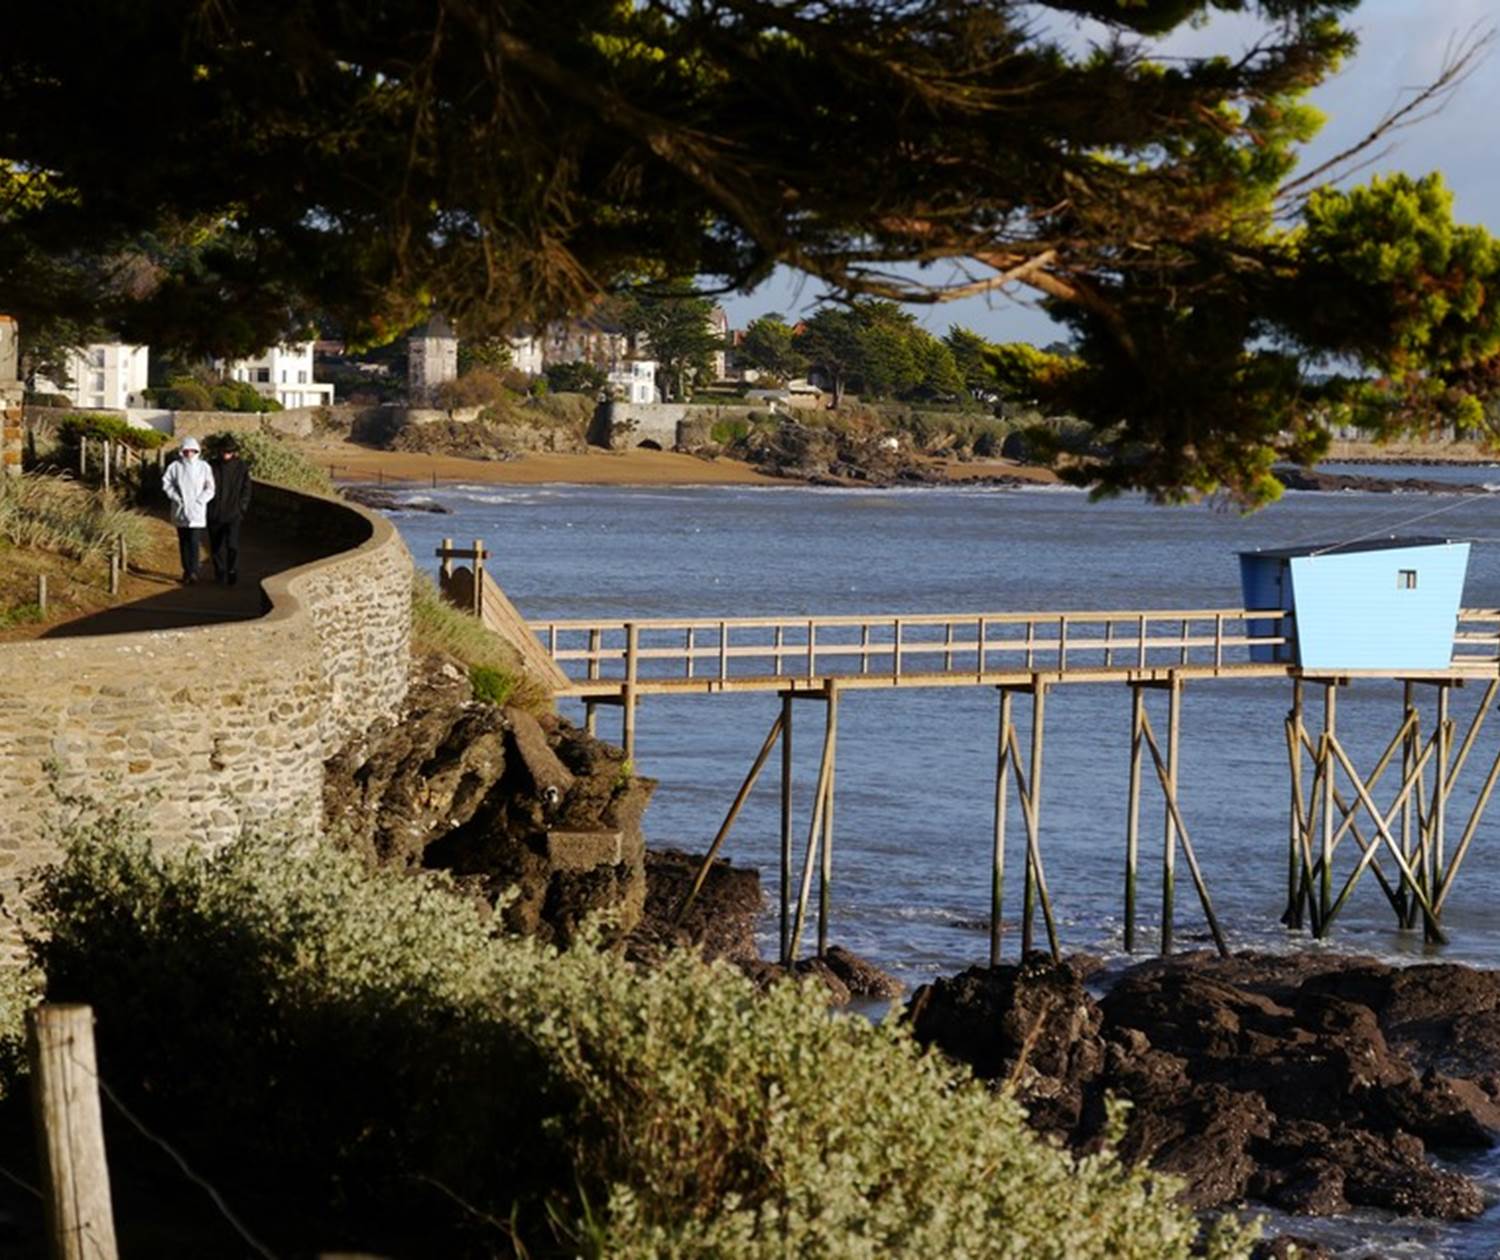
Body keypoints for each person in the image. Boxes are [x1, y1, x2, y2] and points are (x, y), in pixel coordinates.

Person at [161, 436, 215, 583]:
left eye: (192, 451)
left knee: (194, 541)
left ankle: (193, 571)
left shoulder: (204, 467)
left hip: (197, 511)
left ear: (197, 451)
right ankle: (187, 570)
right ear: (182, 451)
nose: (189, 453)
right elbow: (167, 483)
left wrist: (200, 501)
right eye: (186, 451)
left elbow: (210, 488)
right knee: (183, 542)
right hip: (180, 510)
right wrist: (176, 498)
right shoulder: (175, 467)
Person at [207, 436, 252, 584]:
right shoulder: (211, 465)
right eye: (224, 451)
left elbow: (247, 488)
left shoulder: (241, 467)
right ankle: (219, 573)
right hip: (215, 512)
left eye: (229, 451)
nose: (226, 453)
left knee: (232, 545)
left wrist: (241, 507)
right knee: (216, 546)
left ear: (234, 452)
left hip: (233, 513)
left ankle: (232, 571)